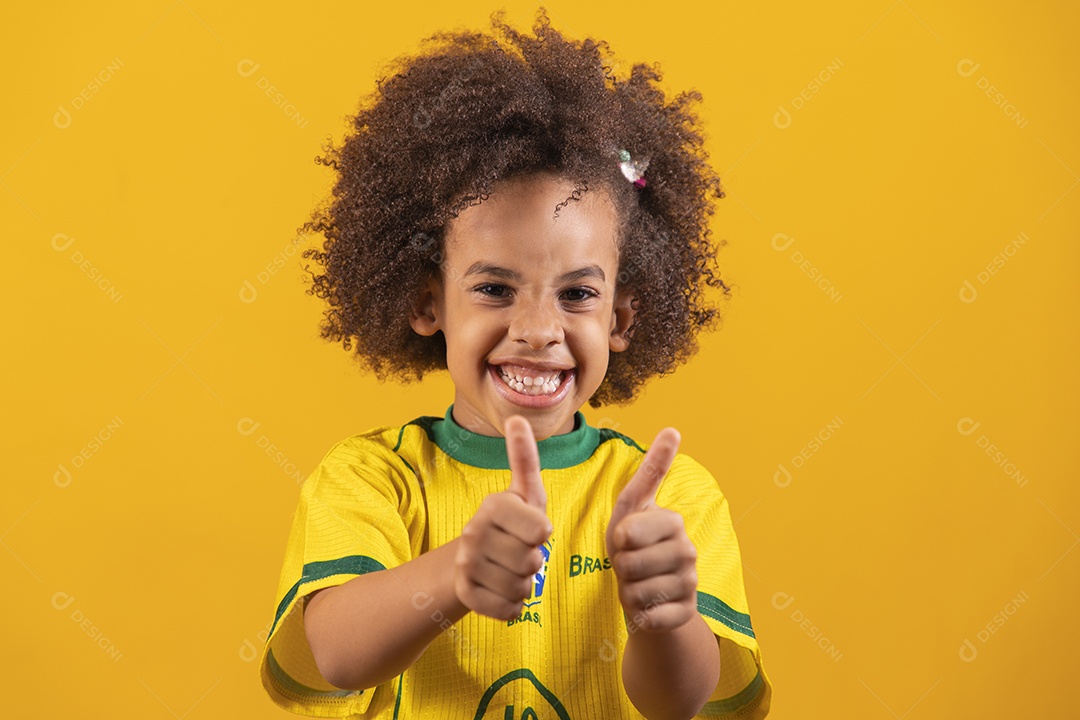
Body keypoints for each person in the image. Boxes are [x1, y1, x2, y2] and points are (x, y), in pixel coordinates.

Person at [259, 6, 772, 718]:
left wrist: (665, 616)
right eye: (495, 288)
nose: (537, 329)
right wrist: (455, 575)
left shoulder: (666, 498)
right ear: (426, 303)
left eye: (578, 293)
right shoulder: (373, 480)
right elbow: (335, 657)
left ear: (621, 317)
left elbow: (682, 704)